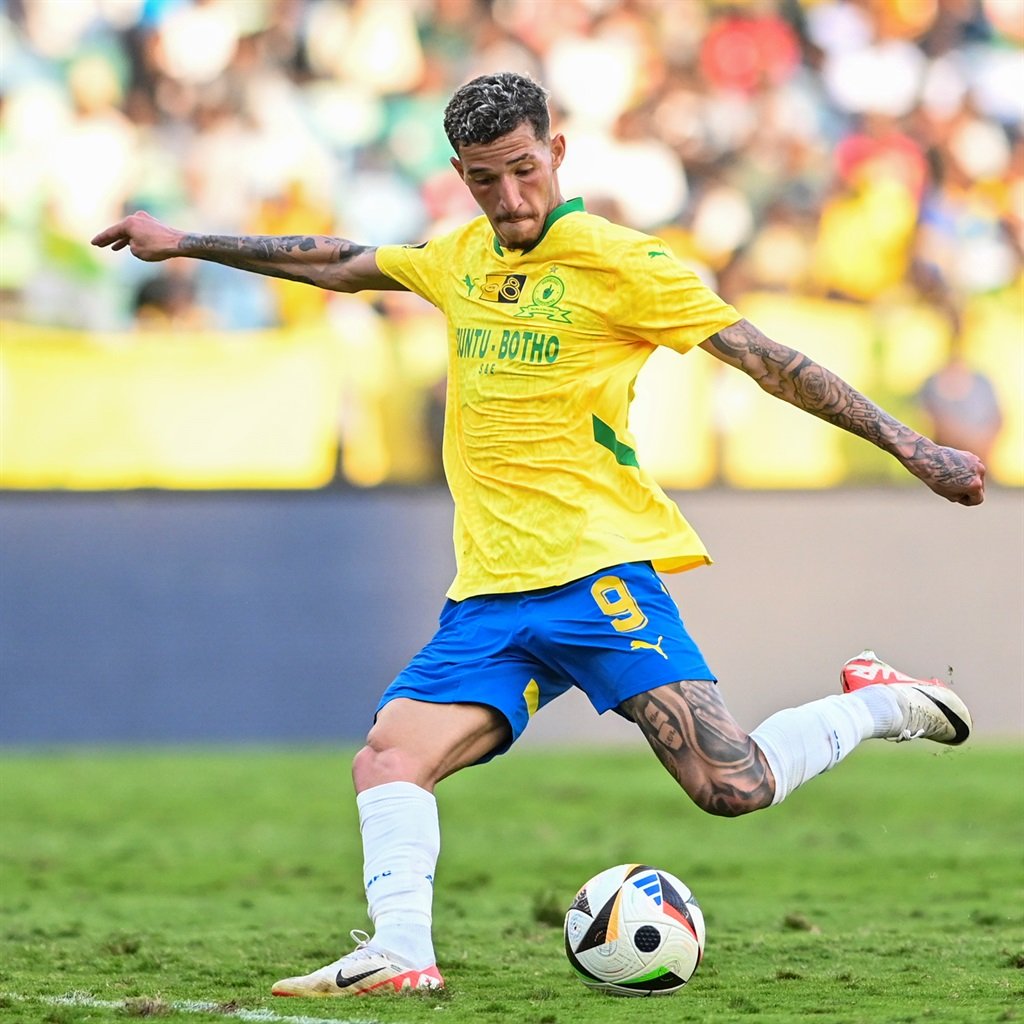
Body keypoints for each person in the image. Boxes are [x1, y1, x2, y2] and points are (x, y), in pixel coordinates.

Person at [92, 72, 985, 999]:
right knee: (389, 758)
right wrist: (186, 241)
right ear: (461, 176)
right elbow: (339, 259)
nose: (511, 198)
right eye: (486, 179)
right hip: (488, 594)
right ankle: (402, 951)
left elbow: (770, 361)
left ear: (556, 152)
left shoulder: (620, 263)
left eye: (524, 170)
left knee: (734, 787)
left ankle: (881, 700)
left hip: (596, 575)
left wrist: (913, 446)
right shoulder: (459, 257)